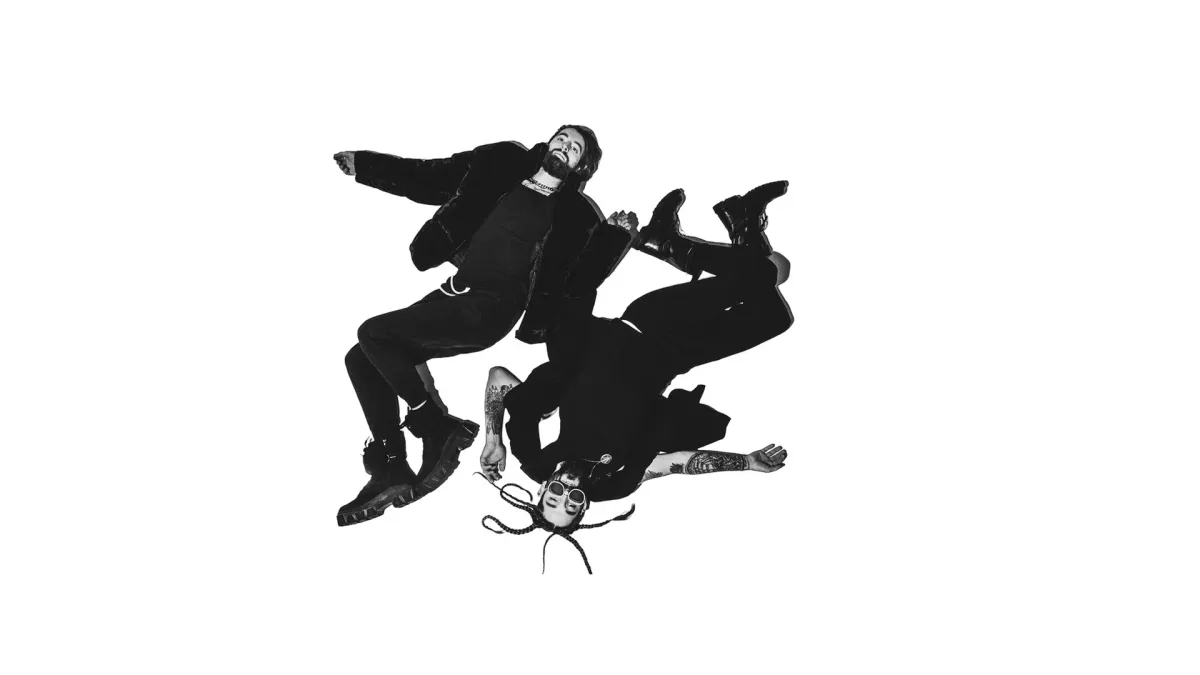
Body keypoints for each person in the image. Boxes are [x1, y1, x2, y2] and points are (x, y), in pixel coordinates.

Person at [477, 181, 794, 570]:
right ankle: (699, 235)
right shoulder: (617, 481)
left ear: (542, 490)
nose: (568, 490)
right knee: (775, 309)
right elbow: (675, 463)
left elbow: (499, 378)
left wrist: (494, 438)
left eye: (554, 496)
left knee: (765, 274)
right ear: (584, 507)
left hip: (646, 323)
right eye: (572, 504)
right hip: (678, 355)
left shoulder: (535, 458)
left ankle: (680, 239)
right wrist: (747, 462)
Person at [333, 126, 637, 526]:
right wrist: (366, 166)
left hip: (493, 308)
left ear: (581, 167)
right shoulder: (501, 162)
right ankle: (392, 464)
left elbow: (578, 281)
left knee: (373, 332)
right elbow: (432, 176)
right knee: (362, 358)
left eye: (575, 148)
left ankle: (435, 426)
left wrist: (613, 238)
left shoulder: (576, 216)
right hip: (454, 292)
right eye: (562, 138)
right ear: (549, 142)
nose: (565, 146)